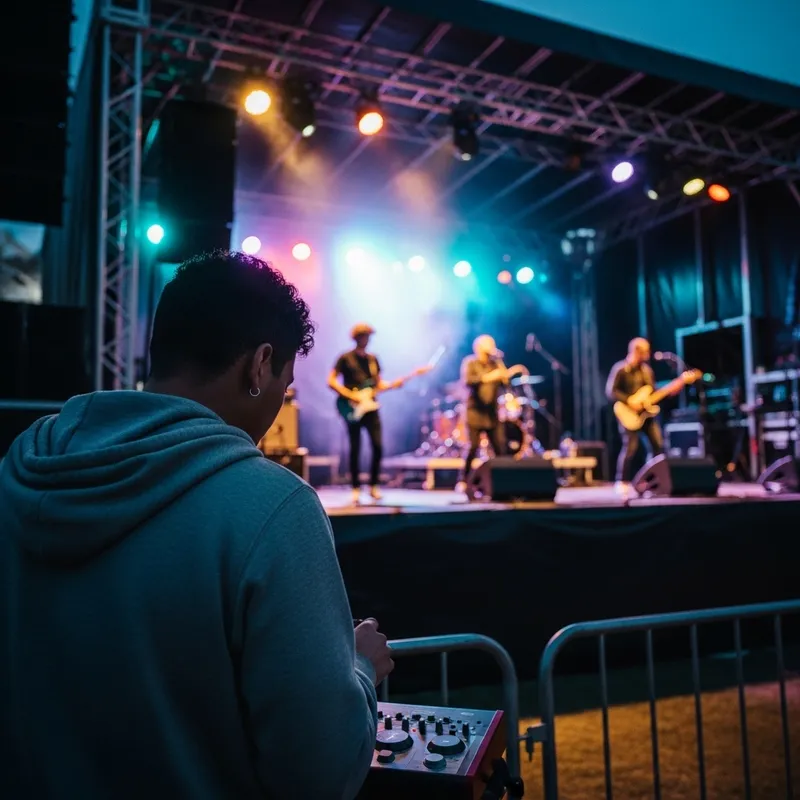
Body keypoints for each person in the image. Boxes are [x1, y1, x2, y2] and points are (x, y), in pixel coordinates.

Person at [0, 251, 394, 799]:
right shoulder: (275, 508)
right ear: (260, 366)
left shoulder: (19, 471)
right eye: (285, 379)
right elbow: (318, 774)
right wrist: (358, 671)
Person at [329, 323, 401, 505]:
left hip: (371, 407)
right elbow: (331, 381)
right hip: (353, 407)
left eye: (369, 336)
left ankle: (374, 486)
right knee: (355, 448)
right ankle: (355, 488)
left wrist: (393, 384)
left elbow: (378, 383)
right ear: (357, 337)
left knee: (377, 446)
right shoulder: (345, 358)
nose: (367, 340)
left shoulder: (373, 359)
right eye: (365, 336)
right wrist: (350, 395)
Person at [606, 336, 665, 483]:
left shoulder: (647, 371)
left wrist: (671, 390)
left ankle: (651, 480)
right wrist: (630, 402)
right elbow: (611, 391)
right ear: (636, 351)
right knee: (630, 447)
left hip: (647, 414)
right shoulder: (620, 369)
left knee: (658, 446)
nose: (648, 354)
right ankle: (622, 481)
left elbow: (652, 391)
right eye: (645, 351)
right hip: (627, 414)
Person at [457, 334, 509, 491]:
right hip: (474, 412)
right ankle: (463, 480)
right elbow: (468, 381)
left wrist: (500, 366)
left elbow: (505, 382)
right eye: (488, 343)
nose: (492, 346)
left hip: (492, 414)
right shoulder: (470, 362)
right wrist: (489, 377)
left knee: (500, 448)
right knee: (473, 447)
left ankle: (503, 481)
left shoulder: (495, 364)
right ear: (479, 346)